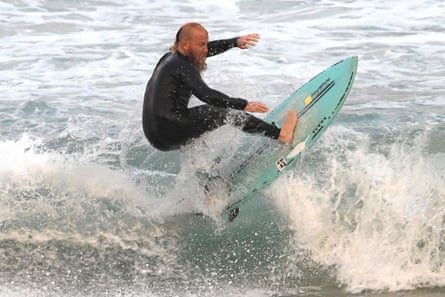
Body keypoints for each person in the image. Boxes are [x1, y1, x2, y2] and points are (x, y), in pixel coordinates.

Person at [142, 22, 297, 151]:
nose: (206, 49)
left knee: (200, 135)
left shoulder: (169, 59)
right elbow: (206, 94)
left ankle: (207, 181)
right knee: (227, 114)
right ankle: (281, 134)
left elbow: (206, 50)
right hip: (172, 127)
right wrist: (243, 105)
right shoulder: (183, 66)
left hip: (155, 134)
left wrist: (235, 42)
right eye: (201, 44)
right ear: (185, 45)